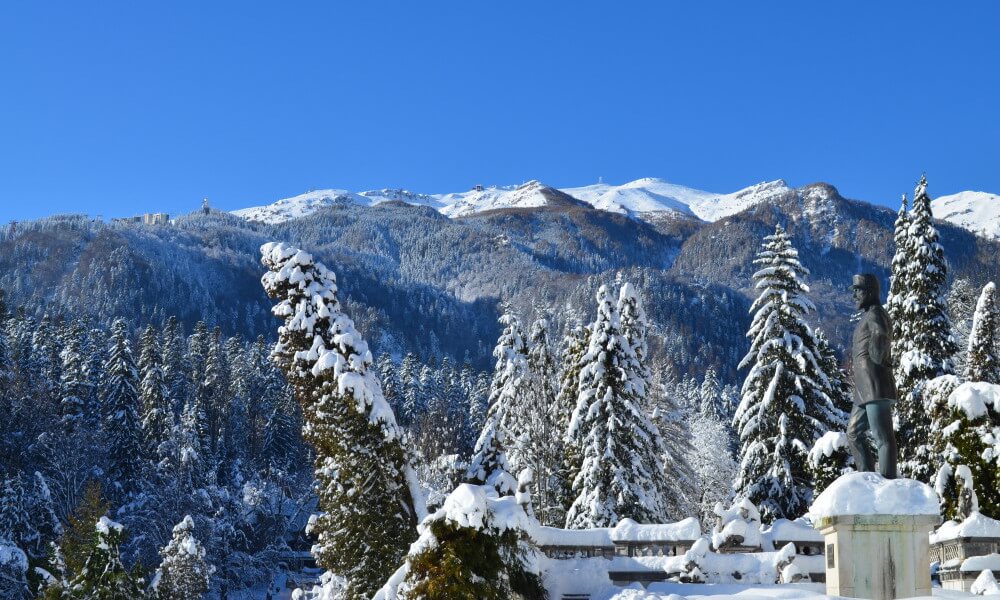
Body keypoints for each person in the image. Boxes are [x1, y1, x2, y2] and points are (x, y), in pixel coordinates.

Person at [846, 273, 898, 478]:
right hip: (863, 389)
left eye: (858, 290)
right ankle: (867, 480)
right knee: (853, 434)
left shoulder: (877, 313)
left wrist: (878, 353)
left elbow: (881, 336)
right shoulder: (869, 315)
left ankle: (887, 483)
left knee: (883, 437)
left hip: (876, 385)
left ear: (869, 291)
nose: (855, 296)